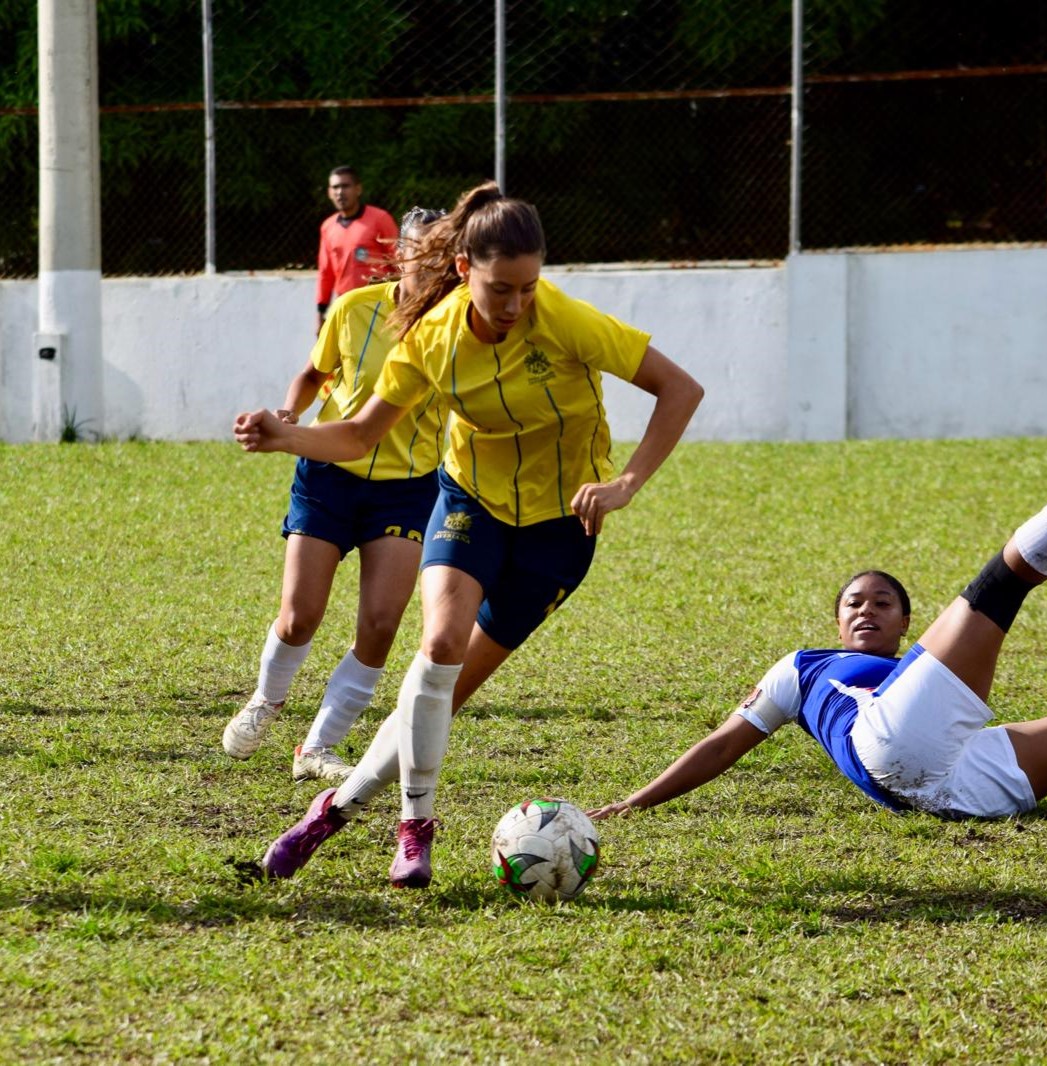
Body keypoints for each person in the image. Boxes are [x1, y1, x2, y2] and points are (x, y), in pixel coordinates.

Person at [234, 180, 705, 888]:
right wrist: (285, 437)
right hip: (471, 503)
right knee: (438, 645)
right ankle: (414, 828)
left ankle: (327, 813)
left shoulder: (568, 322)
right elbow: (362, 432)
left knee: (440, 694)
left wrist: (625, 482)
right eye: (499, 289)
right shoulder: (431, 337)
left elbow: (681, 388)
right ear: (463, 271)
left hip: (559, 531)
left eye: (528, 287)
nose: (516, 305)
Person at [588, 491, 1047, 824]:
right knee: (1001, 582)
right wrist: (634, 802)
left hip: (967, 797)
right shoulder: (802, 668)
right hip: (890, 750)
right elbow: (721, 746)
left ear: (906, 625)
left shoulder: (922, 680)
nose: (866, 611)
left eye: (883, 604)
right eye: (854, 603)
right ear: (837, 623)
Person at [223, 208, 447, 784]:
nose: (436, 269)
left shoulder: (459, 327)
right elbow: (312, 374)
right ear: (402, 255)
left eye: (447, 258)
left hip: (406, 489)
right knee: (300, 617)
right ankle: (266, 701)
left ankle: (317, 746)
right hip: (327, 474)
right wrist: (290, 412)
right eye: (425, 256)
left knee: (379, 625)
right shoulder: (353, 310)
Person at [316, 165, 399, 334]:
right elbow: (326, 273)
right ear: (329, 192)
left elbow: (399, 261)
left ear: (358, 189)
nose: (340, 192)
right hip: (346, 306)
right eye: (335, 187)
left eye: (345, 186)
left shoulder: (380, 219)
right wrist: (321, 311)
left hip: (379, 306)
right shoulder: (328, 226)